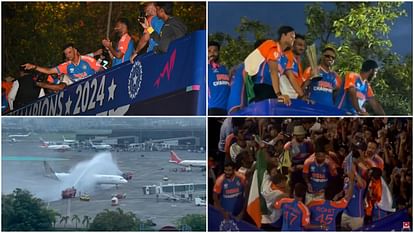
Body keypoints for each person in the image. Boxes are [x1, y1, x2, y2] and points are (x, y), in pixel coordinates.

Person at [21, 43, 102, 91]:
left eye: (69, 52)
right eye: (66, 54)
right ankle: (40, 84)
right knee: (64, 81)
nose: (68, 55)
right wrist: (34, 67)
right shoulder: (66, 65)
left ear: (75, 51)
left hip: (94, 85)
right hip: (78, 89)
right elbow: (49, 71)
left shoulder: (88, 60)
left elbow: (102, 71)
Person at [246, 26, 295, 105]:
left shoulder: (284, 56)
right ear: (283, 35)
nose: (293, 39)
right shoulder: (272, 46)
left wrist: (301, 95)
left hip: (271, 88)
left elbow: (290, 76)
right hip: (261, 86)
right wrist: (278, 94)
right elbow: (273, 72)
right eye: (291, 36)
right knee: (263, 113)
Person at [306, 165, 355, 231]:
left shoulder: (312, 204)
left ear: (324, 194)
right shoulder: (337, 206)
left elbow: (304, 219)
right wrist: (351, 180)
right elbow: (348, 196)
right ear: (334, 196)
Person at [303, 136, 337, 204]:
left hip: (323, 193)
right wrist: (308, 184)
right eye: (327, 147)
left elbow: (334, 176)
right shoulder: (309, 161)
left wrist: (326, 188)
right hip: (311, 193)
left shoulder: (331, 160)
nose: (329, 149)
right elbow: (305, 174)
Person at [279, 34, 307, 99]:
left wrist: (309, 79)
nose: (302, 48)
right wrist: (302, 96)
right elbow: (290, 77)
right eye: (299, 45)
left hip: (293, 99)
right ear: (292, 44)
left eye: (303, 46)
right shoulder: (285, 56)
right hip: (285, 99)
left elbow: (299, 85)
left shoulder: (298, 64)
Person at [208, 41, 230, 115]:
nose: (212, 53)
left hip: (228, 109)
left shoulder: (224, 68)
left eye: (215, 50)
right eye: (209, 51)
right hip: (213, 108)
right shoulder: (204, 68)